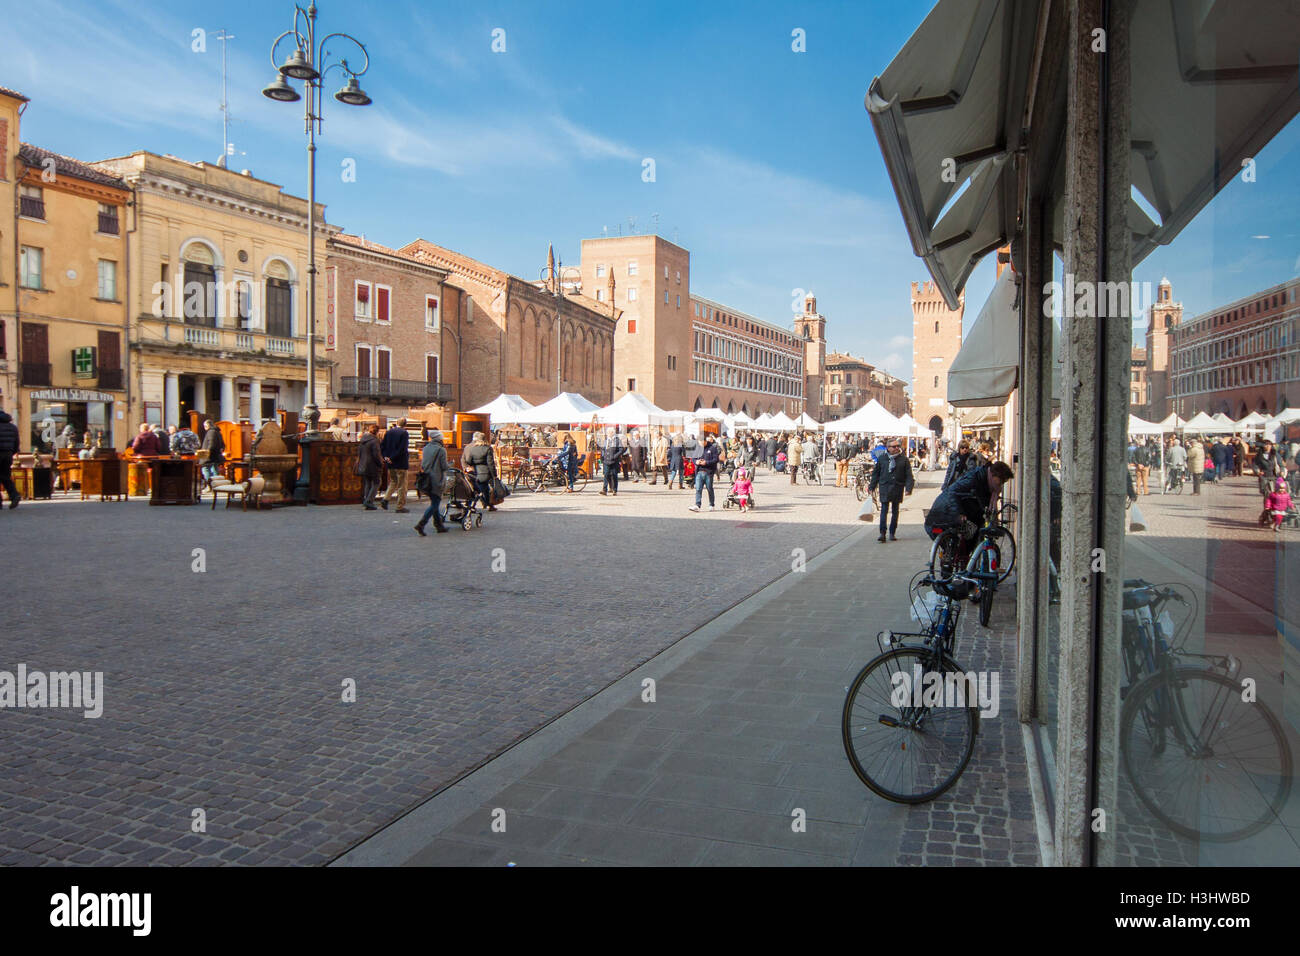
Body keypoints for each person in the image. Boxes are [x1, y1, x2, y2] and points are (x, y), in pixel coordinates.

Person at [925, 461, 1016, 554]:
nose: (1001, 484)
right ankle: (963, 559)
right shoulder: (975, 478)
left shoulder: (986, 481)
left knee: (969, 532)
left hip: (951, 510)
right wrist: (959, 513)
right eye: (1002, 480)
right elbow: (952, 493)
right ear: (994, 475)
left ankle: (957, 557)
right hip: (945, 510)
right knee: (972, 530)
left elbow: (980, 502)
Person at [868, 438, 915, 542]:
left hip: (897, 487)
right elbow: (876, 473)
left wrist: (908, 488)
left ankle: (892, 532)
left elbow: (909, 475)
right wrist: (872, 486)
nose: (897, 448)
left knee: (895, 511)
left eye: (898, 446)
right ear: (888, 448)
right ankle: (882, 533)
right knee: (884, 510)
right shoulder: (882, 458)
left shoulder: (904, 459)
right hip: (885, 487)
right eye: (894, 447)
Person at [414, 427, 450, 535]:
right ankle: (421, 524)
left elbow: (424, 464)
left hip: (427, 478)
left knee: (434, 501)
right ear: (440, 438)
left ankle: (439, 525)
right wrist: (450, 465)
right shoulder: (441, 450)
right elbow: (444, 466)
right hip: (437, 479)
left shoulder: (426, 448)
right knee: (435, 503)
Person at [379, 418, 411, 513]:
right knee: (402, 485)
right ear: (405, 425)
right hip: (400, 462)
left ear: (396, 423)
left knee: (393, 482)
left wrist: (386, 457)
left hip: (390, 462)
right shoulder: (404, 433)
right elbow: (402, 449)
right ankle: (400, 506)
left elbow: (382, 446)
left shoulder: (389, 432)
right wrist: (392, 457)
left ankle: (385, 499)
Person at [462, 430, 498, 512]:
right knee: (485, 489)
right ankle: (488, 504)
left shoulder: (472, 449)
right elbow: (490, 463)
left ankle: (473, 504)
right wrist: (494, 475)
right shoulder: (488, 448)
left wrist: (470, 467)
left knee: (477, 488)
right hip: (484, 472)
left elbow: (468, 460)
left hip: (474, 472)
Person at [689, 433, 722, 511]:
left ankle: (711, 504)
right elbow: (693, 458)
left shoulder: (712, 448)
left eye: (702, 442)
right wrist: (696, 462)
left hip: (709, 472)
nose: (701, 444)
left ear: (705, 441)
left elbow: (716, 459)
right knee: (698, 488)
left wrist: (706, 462)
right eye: (699, 442)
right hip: (699, 471)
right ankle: (697, 505)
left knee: (709, 488)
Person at [357, 424, 384, 510]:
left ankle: (367, 500)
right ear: (377, 431)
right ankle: (369, 501)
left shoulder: (363, 439)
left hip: (364, 465)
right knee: (377, 483)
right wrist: (380, 463)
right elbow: (376, 454)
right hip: (372, 465)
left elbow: (359, 453)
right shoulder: (374, 440)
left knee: (368, 483)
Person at [0, 409, 20, 509]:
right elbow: (17, 442)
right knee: (5, 477)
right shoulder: (13, 427)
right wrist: (12, 452)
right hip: (8, 454)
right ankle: (14, 495)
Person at [599, 428, 625, 496]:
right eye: (608, 432)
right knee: (606, 475)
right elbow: (603, 449)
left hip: (614, 461)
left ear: (612, 433)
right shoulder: (606, 440)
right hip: (606, 460)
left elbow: (621, 450)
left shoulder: (617, 440)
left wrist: (615, 456)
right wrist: (602, 456)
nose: (608, 434)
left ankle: (614, 490)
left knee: (614, 475)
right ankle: (604, 490)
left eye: (610, 432)